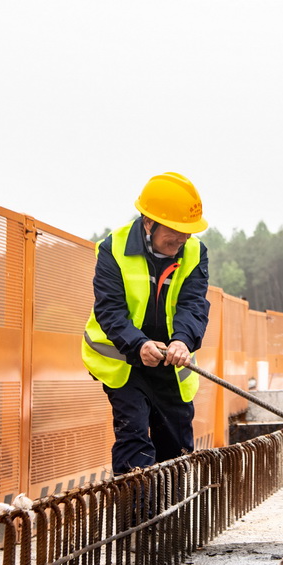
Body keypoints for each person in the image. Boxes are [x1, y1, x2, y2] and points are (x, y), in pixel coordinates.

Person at [82, 172, 210, 476]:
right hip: (126, 363)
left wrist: (182, 341)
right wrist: (138, 344)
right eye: (176, 230)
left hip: (171, 363)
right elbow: (110, 310)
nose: (182, 239)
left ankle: (175, 517)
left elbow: (194, 305)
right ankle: (139, 520)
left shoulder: (195, 253)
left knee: (176, 448)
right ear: (149, 222)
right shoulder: (112, 249)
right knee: (135, 442)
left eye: (187, 232)